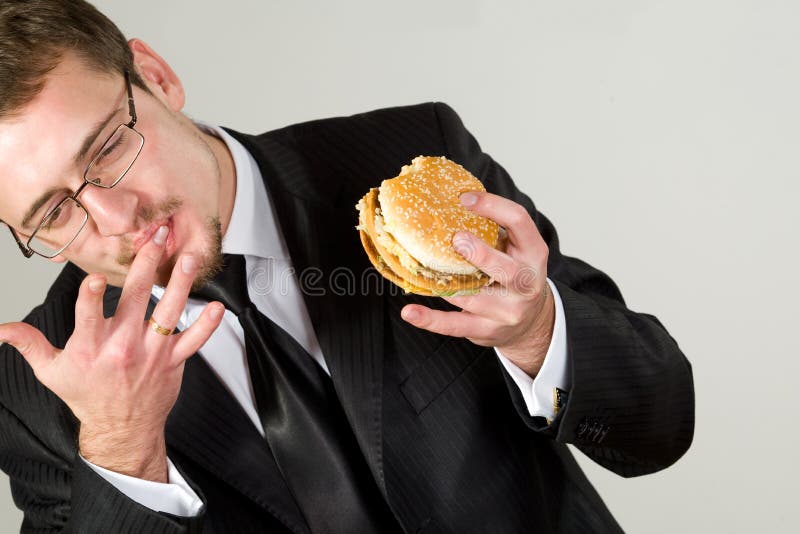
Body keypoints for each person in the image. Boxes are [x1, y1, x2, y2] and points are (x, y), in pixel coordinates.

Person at [0, 1, 694, 533]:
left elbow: (658, 428)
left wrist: (541, 332)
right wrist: (121, 453)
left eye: (107, 148)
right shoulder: (34, 390)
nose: (116, 216)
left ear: (155, 77)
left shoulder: (411, 160)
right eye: (54, 213)